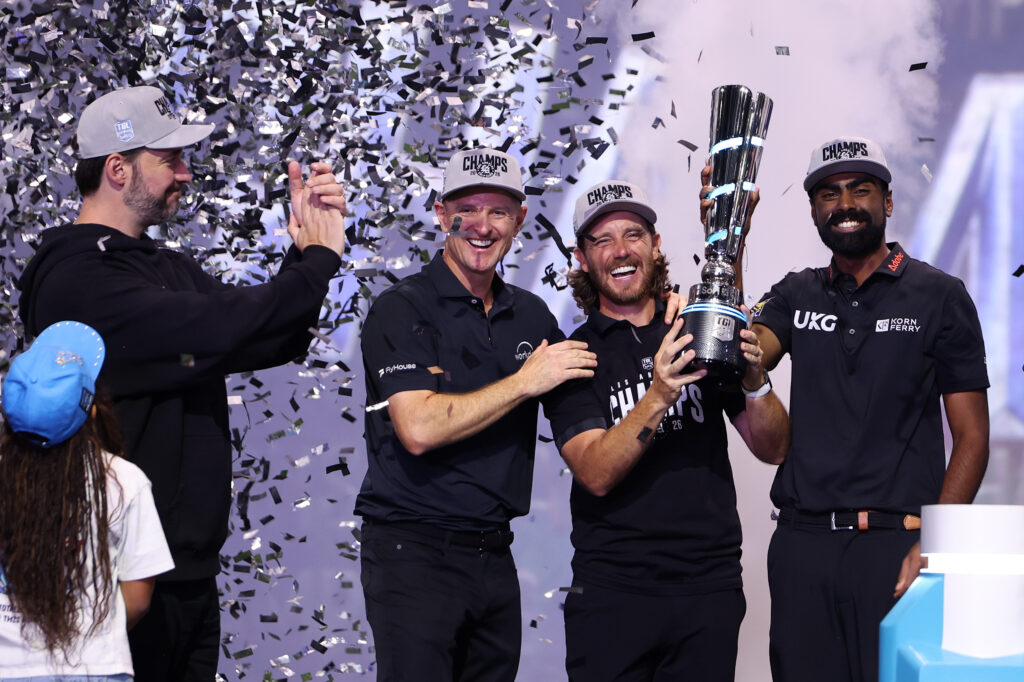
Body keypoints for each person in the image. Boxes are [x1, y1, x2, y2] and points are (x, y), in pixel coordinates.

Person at [16, 85, 347, 681]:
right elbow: (218, 325)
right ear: (117, 169)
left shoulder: (161, 265)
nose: (186, 174)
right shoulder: (76, 280)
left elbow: (264, 337)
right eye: (169, 160)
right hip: (117, 575)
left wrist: (306, 252)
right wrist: (318, 262)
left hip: (188, 571)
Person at [356, 146, 612, 682]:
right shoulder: (402, 308)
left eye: (498, 212)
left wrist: (658, 325)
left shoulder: (531, 315)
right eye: (466, 209)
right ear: (440, 213)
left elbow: (583, 392)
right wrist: (523, 383)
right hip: (413, 551)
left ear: (519, 220)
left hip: (494, 553)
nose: (482, 225)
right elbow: (418, 428)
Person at [743, 137, 990, 682]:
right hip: (803, 549)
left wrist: (938, 545)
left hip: (898, 546)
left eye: (861, 189)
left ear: (888, 201)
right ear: (814, 211)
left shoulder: (940, 295)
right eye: (829, 194)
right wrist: (730, 239)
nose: (846, 204)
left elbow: (972, 437)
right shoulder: (794, 293)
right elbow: (746, 353)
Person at [543, 180, 790, 681]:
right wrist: (658, 395)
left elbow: (774, 448)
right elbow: (595, 474)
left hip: (708, 589)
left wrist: (753, 377)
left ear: (655, 246)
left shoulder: (698, 331)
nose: (621, 250)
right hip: (613, 593)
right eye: (602, 240)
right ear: (582, 258)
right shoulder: (573, 357)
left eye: (633, 234)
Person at [0, 320, 174, 680]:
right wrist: (97, 638)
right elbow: (138, 600)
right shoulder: (124, 481)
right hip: (95, 668)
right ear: (92, 411)